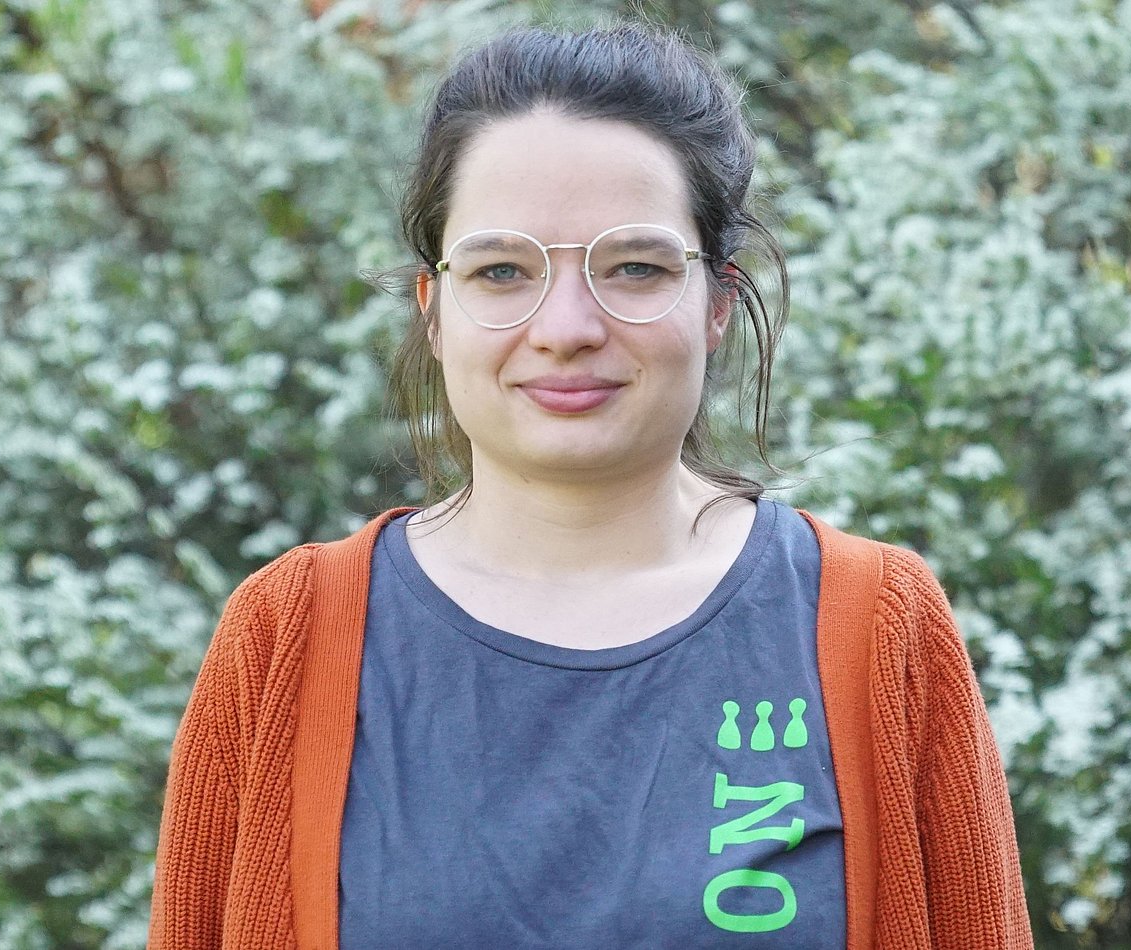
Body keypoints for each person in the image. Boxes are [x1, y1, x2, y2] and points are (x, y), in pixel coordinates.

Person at [147, 22, 1031, 950]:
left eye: (636, 267)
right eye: (500, 270)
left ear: (720, 302)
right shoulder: (290, 635)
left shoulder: (873, 623)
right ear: (433, 307)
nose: (565, 325)